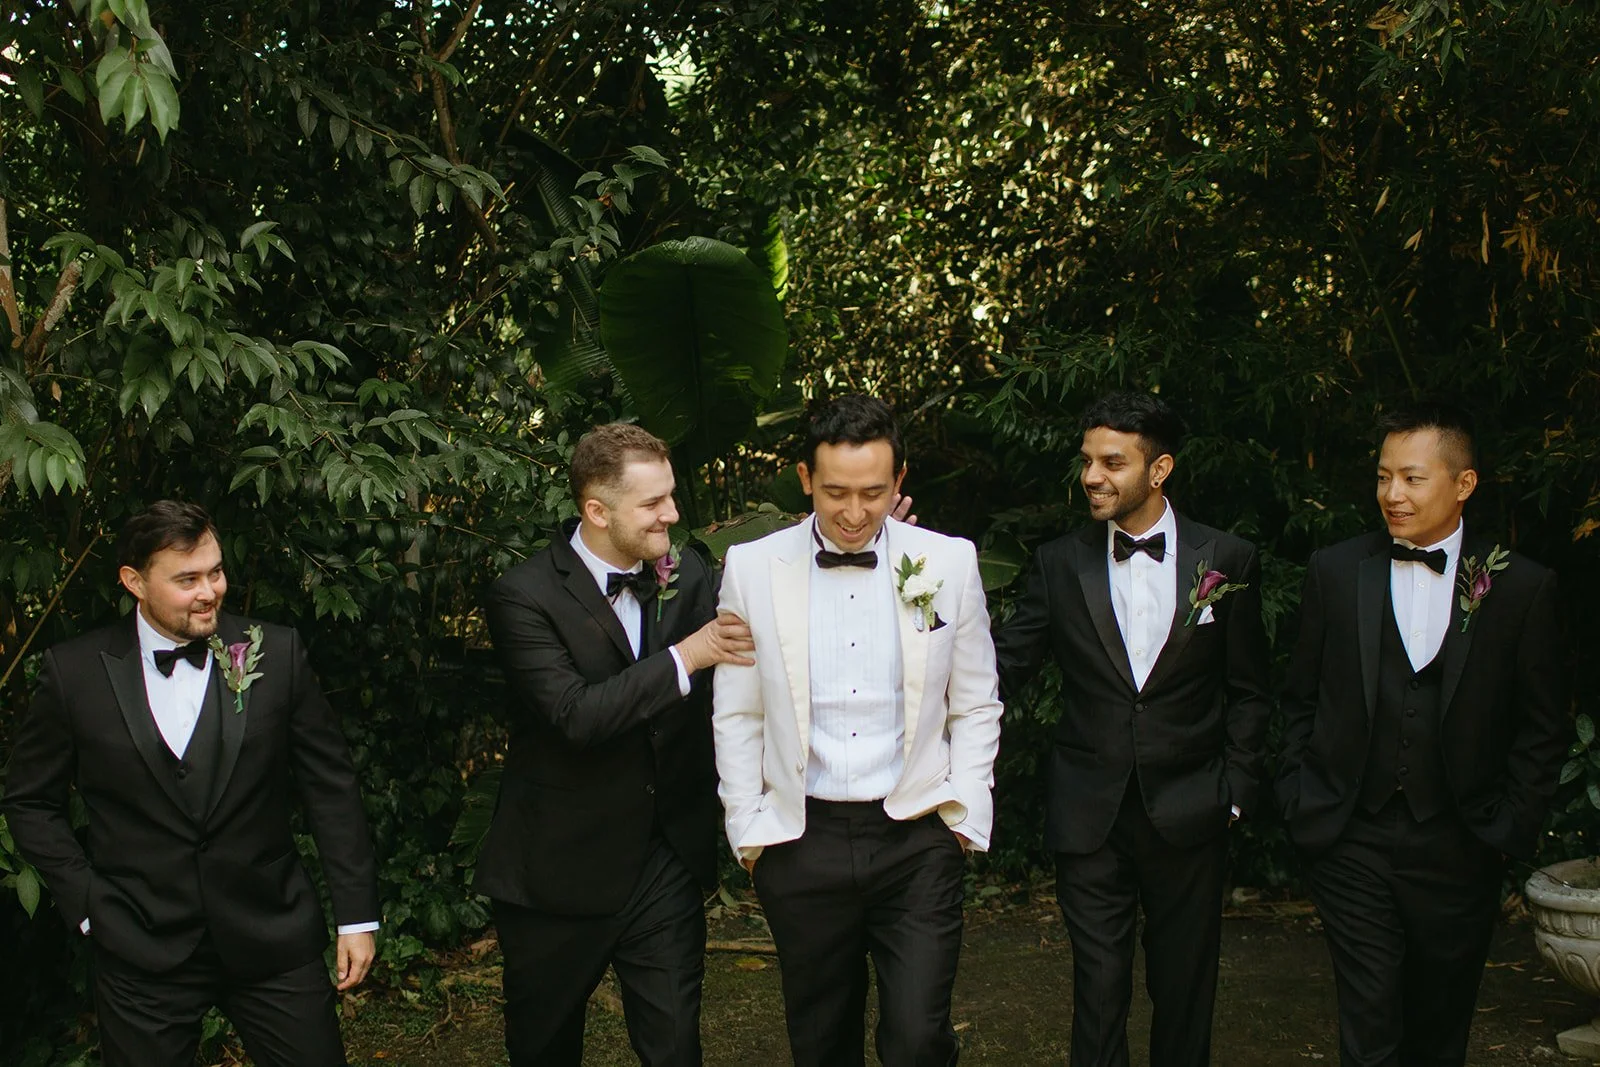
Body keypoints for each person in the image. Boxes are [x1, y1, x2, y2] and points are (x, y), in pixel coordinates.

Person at [2, 500, 379, 1067]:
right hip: (138, 945)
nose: (210, 591)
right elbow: (29, 801)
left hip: (270, 935)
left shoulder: (275, 654)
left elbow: (331, 788)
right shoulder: (74, 673)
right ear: (134, 581)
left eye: (216, 572)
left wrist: (355, 916)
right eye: (187, 579)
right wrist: (86, 903)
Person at [712, 394, 1003, 1067]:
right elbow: (738, 711)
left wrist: (964, 813)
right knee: (821, 1041)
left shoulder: (947, 563)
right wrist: (749, 830)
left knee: (917, 1037)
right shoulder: (753, 568)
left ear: (899, 481)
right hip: (800, 838)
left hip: (916, 837)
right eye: (835, 491)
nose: (852, 512)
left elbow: (977, 700)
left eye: (873, 493)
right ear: (805, 478)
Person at [1276, 404, 1567, 1067]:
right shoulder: (1336, 570)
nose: (1392, 494)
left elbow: (1542, 727)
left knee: (1440, 1031)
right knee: (1370, 1024)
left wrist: (1506, 829)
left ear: (1462, 484)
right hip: (1353, 835)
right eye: (1383, 477)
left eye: (1411, 478)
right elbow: (1298, 697)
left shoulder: (1520, 586)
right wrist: (1300, 795)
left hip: (1461, 842)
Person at [993, 391, 1271, 1067]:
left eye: (1111, 461)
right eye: (1087, 460)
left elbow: (1251, 689)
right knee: (1098, 989)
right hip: (1090, 812)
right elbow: (999, 667)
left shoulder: (1225, 558)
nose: (1091, 476)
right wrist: (923, 616)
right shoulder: (1061, 562)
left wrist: (1234, 791)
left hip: (1193, 808)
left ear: (1160, 468)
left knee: (1185, 992)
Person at [476, 422, 754, 1067]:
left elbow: (760, 620)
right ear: (597, 511)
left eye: (672, 496)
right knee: (545, 1050)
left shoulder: (685, 568)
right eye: (653, 504)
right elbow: (575, 715)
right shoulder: (523, 595)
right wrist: (689, 654)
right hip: (555, 872)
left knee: (676, 1047)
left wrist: (855, 535)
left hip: (663, 858)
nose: (673, 515)